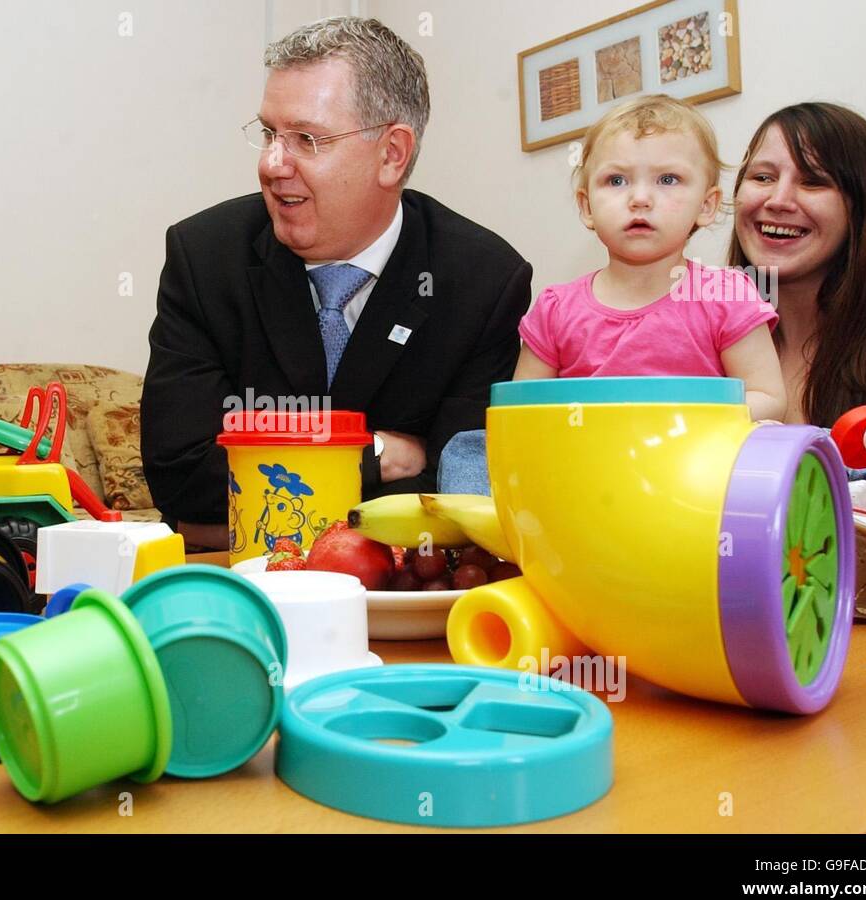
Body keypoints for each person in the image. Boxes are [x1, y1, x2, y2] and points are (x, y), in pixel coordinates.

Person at [142, 16, 531, 548]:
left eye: (306, 138)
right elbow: (181, 474)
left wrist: (250, 490)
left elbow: (461, 495)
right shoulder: (205, 257)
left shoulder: (483, 281)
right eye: (268, 134)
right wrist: (375, 454)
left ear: (391, 154)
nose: (272, 164)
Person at [513, 95, 785, 422]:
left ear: (706, 205)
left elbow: (768, 398)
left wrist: (681, 423)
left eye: (668, 179)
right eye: (616, 180)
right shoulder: (554, 310)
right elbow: (520, 413)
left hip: (699, 465)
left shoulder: (727, 296)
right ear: (586, 207)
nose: (640, 199)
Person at [727, 102, 866, 425]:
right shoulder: (697, 326)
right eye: (763, 177)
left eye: (813, 182)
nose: (777, 200)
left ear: (860, 210)